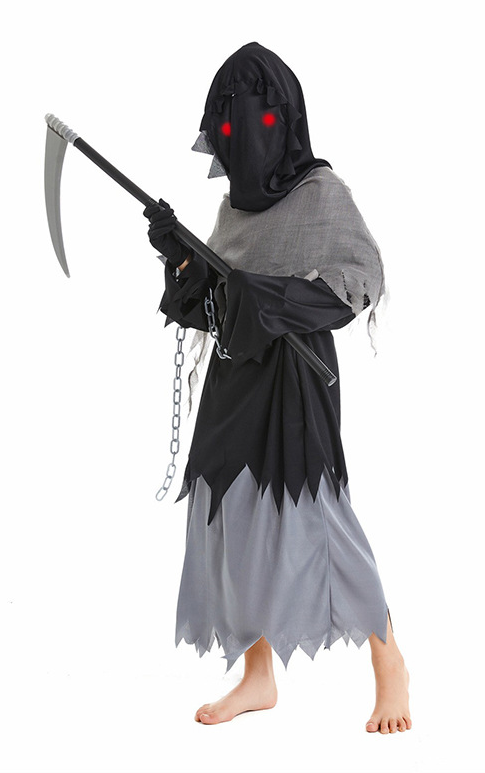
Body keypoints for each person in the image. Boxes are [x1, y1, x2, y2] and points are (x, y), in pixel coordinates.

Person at [145, 41, 411, 733]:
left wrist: (273, 298)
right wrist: (182, 260)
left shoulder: (323, 195)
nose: (244, 138)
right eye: (229, 124)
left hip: (296, 381)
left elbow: (360, 279)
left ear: (286, 120)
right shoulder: (233, 209)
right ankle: (258, 675)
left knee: (319, 519)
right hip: (234, 378)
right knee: (233, 517)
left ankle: (390, 664)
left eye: (258, 121)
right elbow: (213, 303)